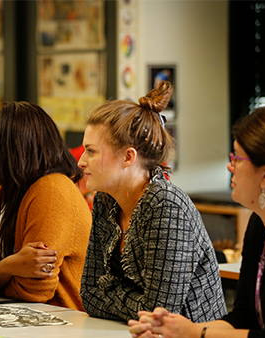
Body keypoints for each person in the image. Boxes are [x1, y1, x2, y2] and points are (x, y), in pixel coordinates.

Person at [129, 105, 265, 338]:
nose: (231, 167)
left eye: (237, 159)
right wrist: (178, 332)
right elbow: (244, 318)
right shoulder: (259, 223)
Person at [78, 81, 227, 322]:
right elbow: (89, 294)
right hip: (130, 337)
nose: (81, 161)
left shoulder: (165, 205)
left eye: (91, 151)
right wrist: (132, 298)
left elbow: (160, 312)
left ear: (128, 157)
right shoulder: (105, 200)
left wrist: (110, 289)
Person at [0, 101, 92, 310]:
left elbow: (35, 291)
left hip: (65, 325)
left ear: (18, 151)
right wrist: (11, 265)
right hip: (26, 318)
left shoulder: (53, 191)